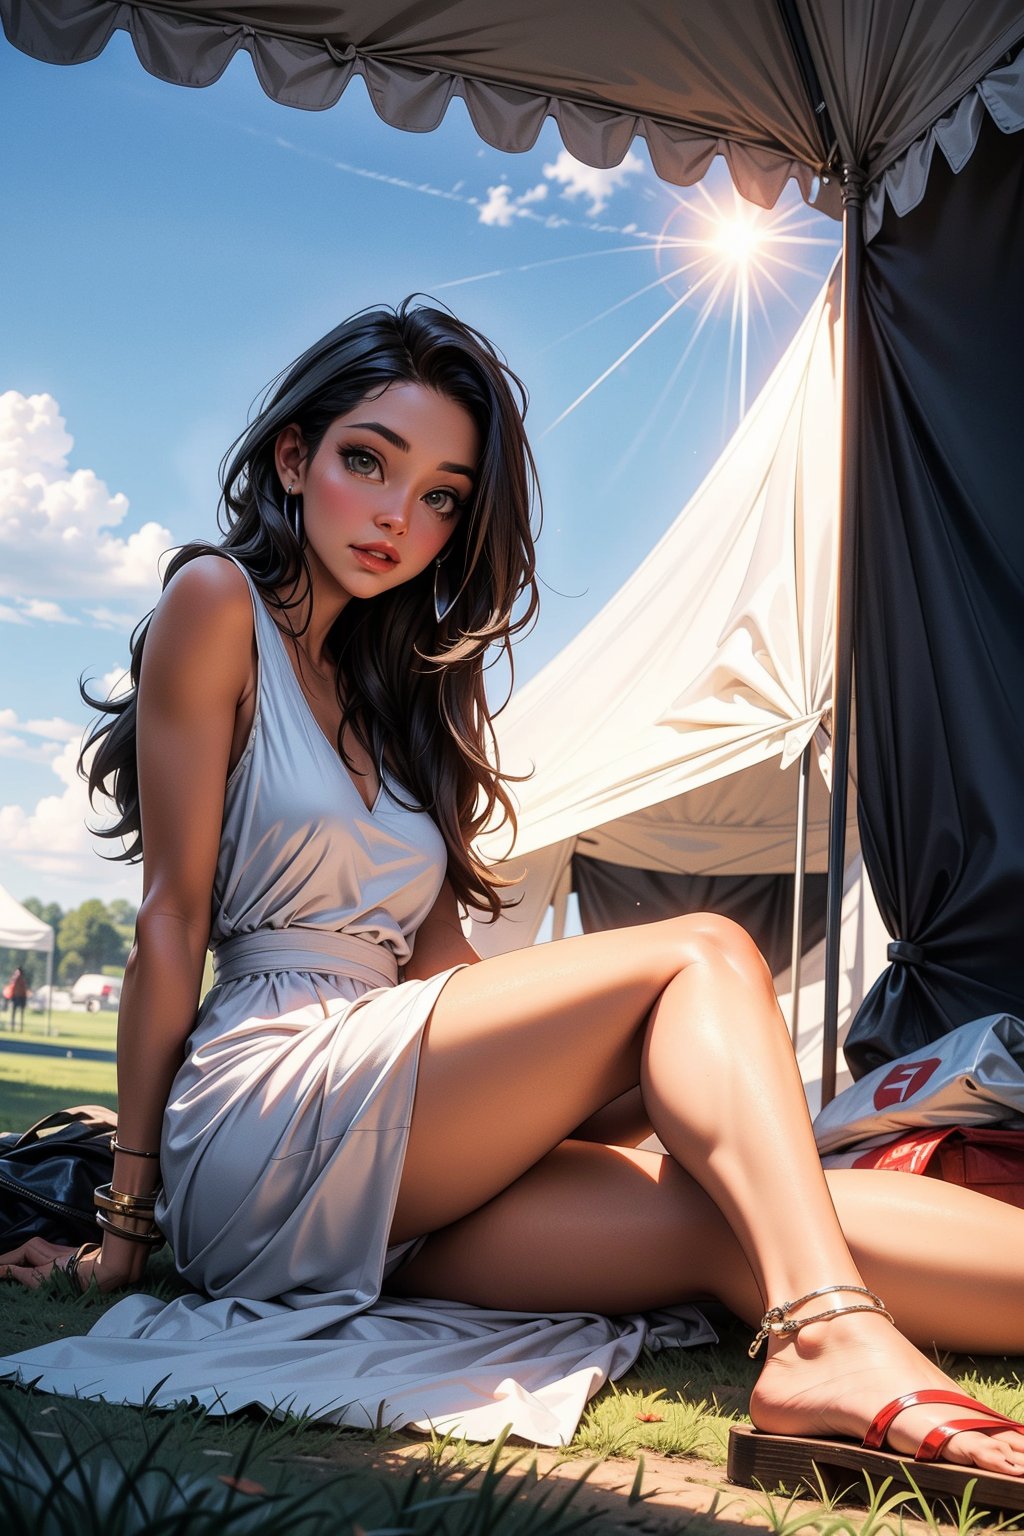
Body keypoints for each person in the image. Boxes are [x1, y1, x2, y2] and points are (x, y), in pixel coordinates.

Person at [0, 302, 1022, 1496]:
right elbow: (170, 922)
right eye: (367, 461)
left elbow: (444, 981)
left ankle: (820, 1318)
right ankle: (829, 1346)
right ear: (295, 457)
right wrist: (127, 1226)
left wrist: (609, 1082)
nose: (398, 516)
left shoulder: (414, 695)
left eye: (441, 494)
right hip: (263, 1113)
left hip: (405, 1127)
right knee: (698, 951)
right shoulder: (217, 606)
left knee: (734, 1214)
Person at [4, 967, 28, 1031]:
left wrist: (24, 997)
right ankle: (12, 1027)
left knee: (21, 1013)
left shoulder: (23, 981)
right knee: (13, 1012)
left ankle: (21, 1028)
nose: (17, 974)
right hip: (14, 997)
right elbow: (11, 989)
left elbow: (24, 990)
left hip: (21, 997)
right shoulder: (14, 980)